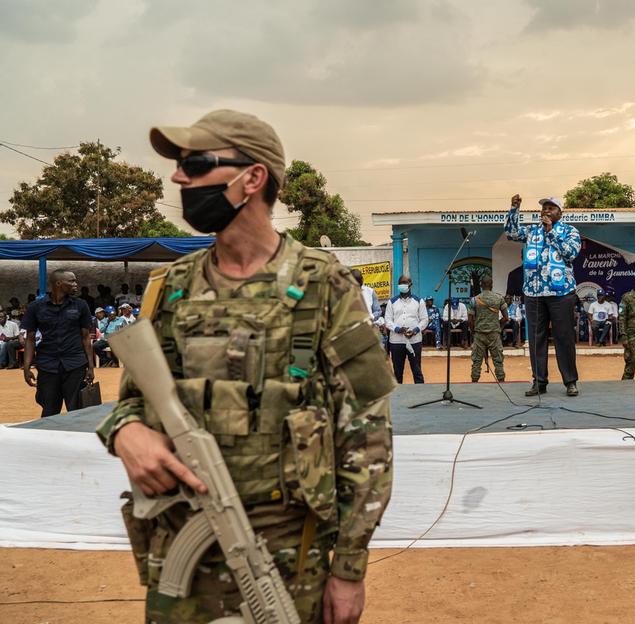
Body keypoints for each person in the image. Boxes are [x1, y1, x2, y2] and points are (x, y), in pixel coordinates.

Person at [94, 109, 395, 623]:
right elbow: (133, 404)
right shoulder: (171, 286)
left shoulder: (324, 284)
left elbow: (366, 436)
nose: (178, 177)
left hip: (287, 562)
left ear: (252, 178)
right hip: (178, 560)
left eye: (195, 163)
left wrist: (348, 569)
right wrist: (125, 434)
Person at [504, 194, 582, 397]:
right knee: (536, 338)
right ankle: (539, 382)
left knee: (563, 337)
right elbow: (511, 233)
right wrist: (514, 209)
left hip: (561, 293)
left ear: (560, 212)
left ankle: (570, 381)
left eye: (551, 208)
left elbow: (570, 254)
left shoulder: (570, 231)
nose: (546, 211)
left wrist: (551, 233)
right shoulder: (532, 231)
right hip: (534, 292)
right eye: (544, 208)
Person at [21, 269, 96, 417]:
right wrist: (26, 367)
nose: (76, 284)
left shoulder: (80, 305)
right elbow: (30, 339)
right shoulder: (36, 307)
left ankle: (77, 439)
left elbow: (86, 337)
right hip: (47, 365)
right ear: (58, 283)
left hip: (75, 364)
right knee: (49, 410)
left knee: (77, 411)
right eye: (72, 281)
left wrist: (91, 367)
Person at [385, 275, 428, 384]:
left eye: (405, 283)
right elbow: (388, 321)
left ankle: (420, 394)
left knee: (417, 370)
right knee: (397, 372)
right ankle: (398, 396)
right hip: (396, 341)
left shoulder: (419, 301)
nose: (402, 285)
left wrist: (415, 330)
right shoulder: (392, 302)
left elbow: (424, 320)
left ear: (410, 284)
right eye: (400, 283)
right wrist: (399, 329)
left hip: (415, 341)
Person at [470, 276, 508, 382]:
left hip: (479, 334)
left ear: (481, 285)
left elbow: (470, 320)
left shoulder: (474, 300)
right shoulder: (499, 298)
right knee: (498, 360)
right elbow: (506, 318)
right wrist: (497, 325)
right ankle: (501, 379)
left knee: (476, 360)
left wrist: (474, 331)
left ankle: (474, 381)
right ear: (491, 285)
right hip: (494, 333)